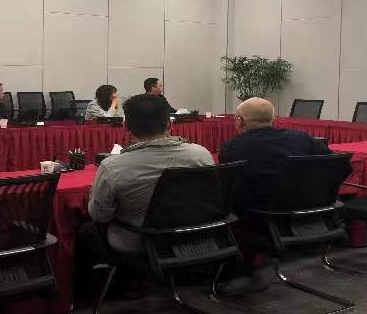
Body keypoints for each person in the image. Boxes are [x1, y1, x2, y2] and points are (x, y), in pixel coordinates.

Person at [217, 97, 339, 294]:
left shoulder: (232, 148)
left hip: (262, 220)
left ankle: (240, 272)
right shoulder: (301, 138)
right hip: (312, 217)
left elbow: (229, 188)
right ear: (272, 119)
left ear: (239, 121)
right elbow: (335, 163)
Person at [88, 94, 214, 254]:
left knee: (86, 232)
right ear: (170, 124)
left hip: (139, 245)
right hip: (195, 239)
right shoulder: (201, 155)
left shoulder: (112, 167)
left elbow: (100, 216)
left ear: (125, 127)